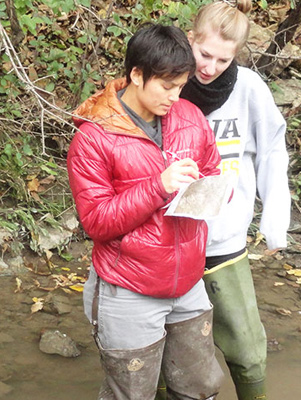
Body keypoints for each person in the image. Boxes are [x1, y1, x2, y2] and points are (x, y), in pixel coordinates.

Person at [67, 23, 227, 400]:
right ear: (136, 74)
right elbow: (97, 222)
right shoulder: (94, 138)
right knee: (132, 394)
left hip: (188, 281)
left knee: (201, 388)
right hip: (129, 287)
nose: (175, 97)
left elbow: (212, 170)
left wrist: (213, 192)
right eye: (166, 86)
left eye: (181, 86)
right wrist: (159, 186)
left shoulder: (189, 118)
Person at [179, 1, 291, 399]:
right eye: (204, 54)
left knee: (246, 347)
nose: (209, 67)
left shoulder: (249, 89)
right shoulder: (167, 83)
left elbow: (272, 152)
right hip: (170, 240)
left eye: (222, 60)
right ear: (190, 39)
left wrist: (274, 219)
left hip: (224, 238)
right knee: (173, 354)